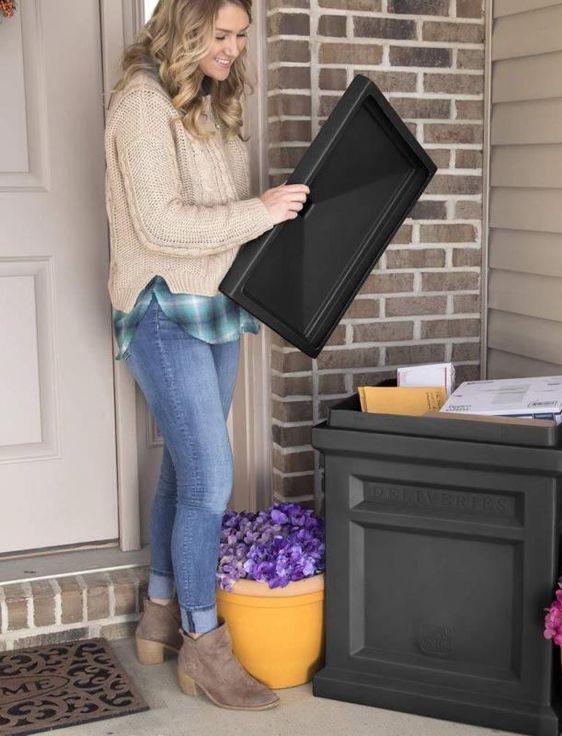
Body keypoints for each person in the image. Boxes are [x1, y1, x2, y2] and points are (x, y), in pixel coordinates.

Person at [104, 0, 309, 710]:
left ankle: (158, 613)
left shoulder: (213, 102)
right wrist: (262, 210)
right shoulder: (141, 103)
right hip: (163, 307)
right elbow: (160, 224)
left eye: (240, 37)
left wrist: (265, 218)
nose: (231, 49)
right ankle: (203, 647)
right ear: (185, 29)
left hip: (216, 304)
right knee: (209, 481)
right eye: (220, 35)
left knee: (185, 471)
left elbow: (219, 218)